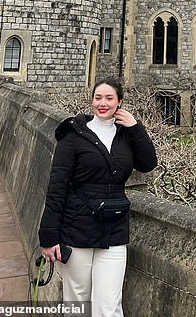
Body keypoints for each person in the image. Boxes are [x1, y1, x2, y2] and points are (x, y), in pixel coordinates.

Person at [39, 77, 157, 317]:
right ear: (92, 101)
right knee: (77, 302)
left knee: (109, 306)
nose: (102, 103)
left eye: (109, 98)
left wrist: (136, 127)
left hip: (114, 229)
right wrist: (48, 237)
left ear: (119, 102)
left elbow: (148, 163)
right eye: (98, 97)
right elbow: (57, 186)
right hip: (76, 229)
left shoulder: (126, 135)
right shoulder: (73, 135)